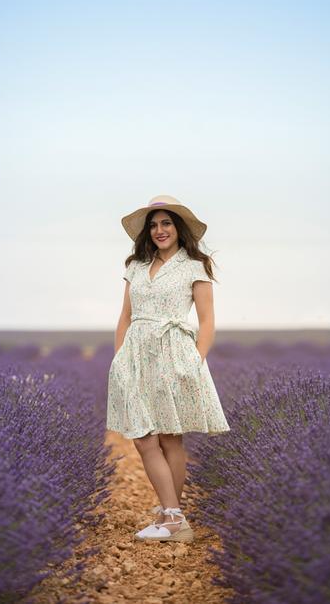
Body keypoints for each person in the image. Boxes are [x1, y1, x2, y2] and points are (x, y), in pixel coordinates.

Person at [106, 195, 230, 543]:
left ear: (179, 228)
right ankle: (172, 515)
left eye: (166, 223)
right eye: (154, 224)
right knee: (144, 438)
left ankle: (171, 517)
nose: (160, 230)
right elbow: (125, 318)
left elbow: (207, 322)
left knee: (171, 438)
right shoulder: (136, 266)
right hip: (136, 355)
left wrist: (195, 360)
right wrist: (119, 360)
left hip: (176, 355)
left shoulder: (195, 266)